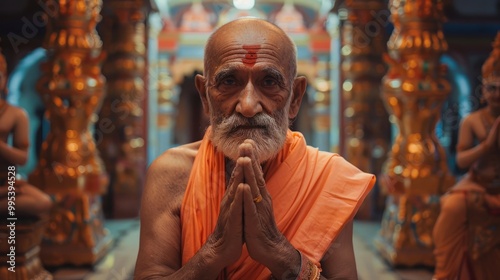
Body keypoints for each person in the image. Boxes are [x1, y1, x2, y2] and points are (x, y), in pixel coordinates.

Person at [135, 18, 375, 280]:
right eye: (229, 82)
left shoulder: (328, 182)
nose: (248, 106)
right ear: (204, 95)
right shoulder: (171, 174)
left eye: (269, 82)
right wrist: (214, 252)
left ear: (294, 97)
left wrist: (280, 253)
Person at [432, 32, 500, 280]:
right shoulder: (473, 121)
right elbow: (460, 162)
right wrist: (488, 145)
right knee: (451, 207)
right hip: (478, 185)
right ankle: (445, 274)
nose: (496, 95)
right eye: (492, 88)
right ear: (483, 91)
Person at [0, 51, 52, 218]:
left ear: (4, 79)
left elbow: (22, 157)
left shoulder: (16, 114)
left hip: (5, 180)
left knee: (43, 202)